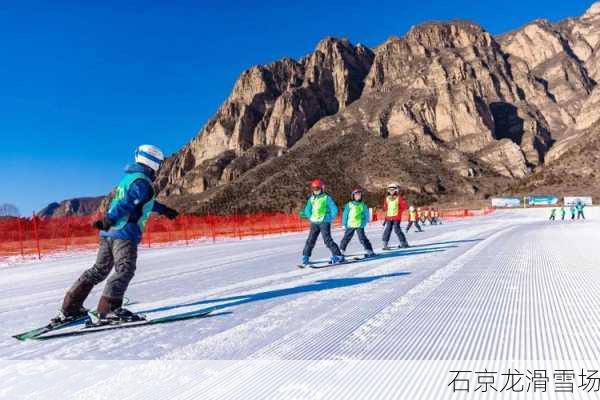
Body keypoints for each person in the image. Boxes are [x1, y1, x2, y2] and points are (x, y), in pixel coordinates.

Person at [55, 145, 180, 325]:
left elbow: (141, 202)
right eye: (160, 162)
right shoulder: (143, 182)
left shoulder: (130, 178)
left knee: (98, 270)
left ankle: (70, 307)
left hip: (109, 233)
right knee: (125, 269)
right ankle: (109, 310)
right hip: (124, 233)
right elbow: (129, 204)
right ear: (154, 162)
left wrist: (164, 209)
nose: (160, 166)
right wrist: (110, 219)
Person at [300, 179, 344, 266]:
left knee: (327, 240)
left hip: (324, 221)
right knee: (310, 240)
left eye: (318, 188)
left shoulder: (326, 198)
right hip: (314, 222)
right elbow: (307, 210)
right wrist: (310, 216)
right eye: (314, 189)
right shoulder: (311, 199)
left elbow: (334, 208)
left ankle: (338, 255)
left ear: (322, 188)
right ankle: (306, 256)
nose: (316, 191)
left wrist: (330, 217)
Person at [340, 188, 375, 258]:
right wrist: (343, 224)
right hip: (350, 225)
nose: (358, 196)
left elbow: (366, 215)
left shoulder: (363, 205)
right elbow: (345, 215)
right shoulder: (349, 205)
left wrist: (366, 222)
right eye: (356, 195)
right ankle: (341, 251)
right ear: (353, 196)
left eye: (359, 195)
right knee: (346, 238)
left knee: (362, 238)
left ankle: (369, 251)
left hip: (360, 225)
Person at [382, 183, 409, 250]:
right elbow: (385, 207)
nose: (391, 191)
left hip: (396, 217)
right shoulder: (387, 198)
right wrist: (385, 209)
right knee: (388, 229)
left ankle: (403, 242)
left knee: (397, 229)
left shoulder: (398, 198)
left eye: (393, 190)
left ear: (396, 190)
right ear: (388, 191)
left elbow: (404, 206)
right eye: (390, 190)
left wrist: (399, 211)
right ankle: (385, 244)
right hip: (389, 217)